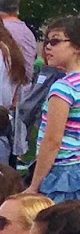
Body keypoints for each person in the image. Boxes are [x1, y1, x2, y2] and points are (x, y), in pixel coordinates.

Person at [29, 17, 80, 202]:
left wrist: (34, 186)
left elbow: (52, 141)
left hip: (62, 174)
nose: (47, 47)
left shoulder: (63, 88)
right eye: (47, 41)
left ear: (77, 46)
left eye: (55, 41)